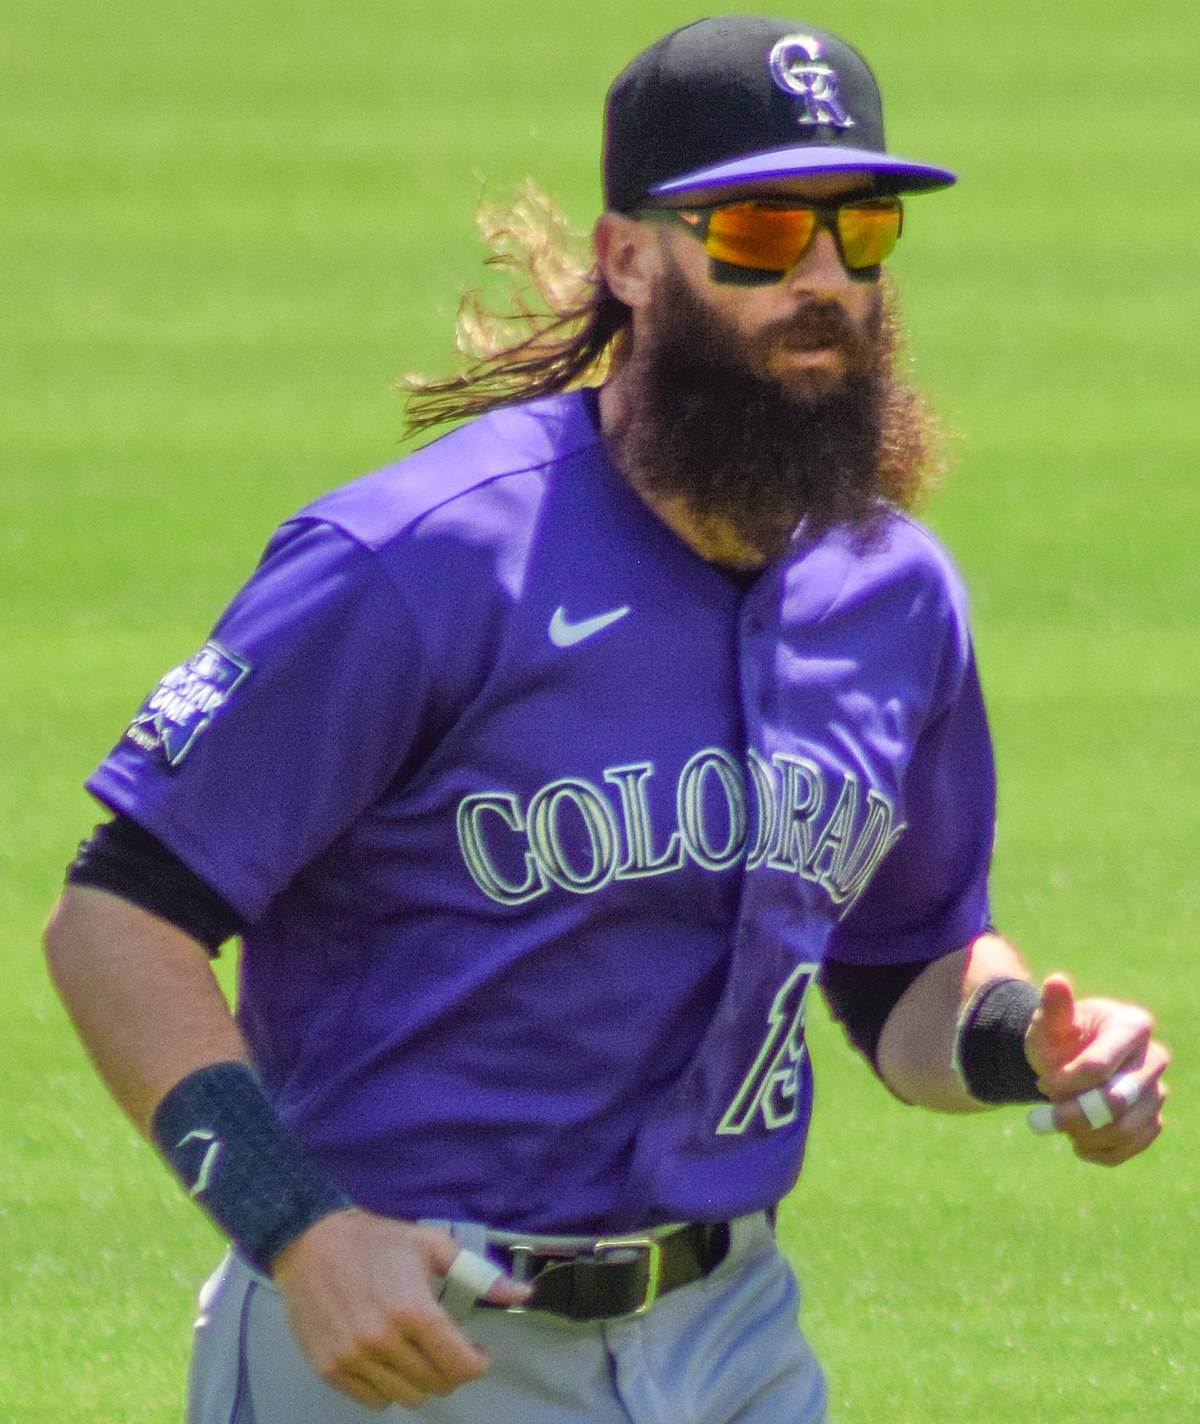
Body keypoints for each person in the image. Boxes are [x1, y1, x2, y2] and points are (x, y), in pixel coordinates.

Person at [44, 15, 1169, 1424]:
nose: (822, 279)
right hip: (410, 1335)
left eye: (860, 230)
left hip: (734, 1337)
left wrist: (1027, 1043)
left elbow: (899, 970)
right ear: (629, 258)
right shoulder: (421, 564)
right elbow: (116, 918)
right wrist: (297, 1231)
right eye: (761, 233)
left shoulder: (893, 593)